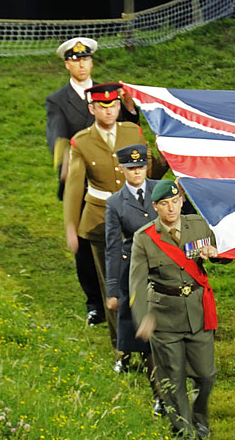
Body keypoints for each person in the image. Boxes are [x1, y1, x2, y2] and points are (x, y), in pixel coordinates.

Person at [63, 83, 167, 369]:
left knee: (147, 284)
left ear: (119, 106)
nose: (109, 111)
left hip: (139, 221)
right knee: (114, 289)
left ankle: (150, 345)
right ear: (92, 109)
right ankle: (123, 353)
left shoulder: (132, 132)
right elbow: (74, 187)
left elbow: (148, 173)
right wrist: (71, 225)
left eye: (114, 105)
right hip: (101, 223)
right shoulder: (81, 142)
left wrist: (163, 160)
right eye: (103, 107)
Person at [45, 37, 138, 326]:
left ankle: (128, 295)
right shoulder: (58, 100)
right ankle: (95, 302)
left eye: (85, 59)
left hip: (115, 178)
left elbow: (129, 132)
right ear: (67, 65)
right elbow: (56, 134)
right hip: (83, 179)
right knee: (86, 246)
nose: (81, 65)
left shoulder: (108, 93)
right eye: (75, 60)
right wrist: (64, 160)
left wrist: (131, 109)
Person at [129, 180, 229, 440]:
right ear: (155, 207)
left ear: (182, 201)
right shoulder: (144, 238)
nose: (171, 208)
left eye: (175, 202)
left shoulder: (198, 225)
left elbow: (226, 252)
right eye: (165, 204)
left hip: (197, 312)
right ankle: (183, 434)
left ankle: (199, 418)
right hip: (164, 317)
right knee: (172, 378)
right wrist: (143, 318)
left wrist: (215, 253)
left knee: (206, 375)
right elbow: (136, 282)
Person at [104, 144, 165, 410]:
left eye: (141, 167)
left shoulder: (162, 190)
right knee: (145, 337)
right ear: (122, 169)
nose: (137, 172)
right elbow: (112, 248)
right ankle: (160, 397)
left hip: (167, 269)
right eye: (131, 168)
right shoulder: (115, 203)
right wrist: (112, 290)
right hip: (136, 272)